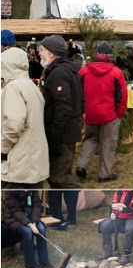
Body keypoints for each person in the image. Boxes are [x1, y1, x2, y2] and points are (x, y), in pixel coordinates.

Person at [75, 42, 128, 182]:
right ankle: (105, 174)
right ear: (110, 56)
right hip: (109, 115)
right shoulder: (116, 72)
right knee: (108, 143)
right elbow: (122, 96)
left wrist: (82, 111)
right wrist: (119, 113)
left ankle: (81, 165)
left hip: (90, 113)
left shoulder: (84, 71)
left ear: (97, 54)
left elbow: (78, 92)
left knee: (90, 139)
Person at [38, 35, 83, 190]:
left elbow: (64, 106)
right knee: (58, 178)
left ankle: (83, 198)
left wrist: (54, 134)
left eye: (42, 50)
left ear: (52, 53)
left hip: (62, 134)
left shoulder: (59, 73)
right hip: (67, 131)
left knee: (58, 178)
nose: (39, 53)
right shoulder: (68, 70)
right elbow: (81, 100)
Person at [1, 46, 48, 189]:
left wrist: (2, 149)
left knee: (12, 199)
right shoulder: (31, 86)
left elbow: (14, 124)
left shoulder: (13, 88)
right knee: (33, 198)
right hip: (34, 159)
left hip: (19, 161)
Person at [3, 190, 49, 268]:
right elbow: (15, 211)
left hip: (31, 217)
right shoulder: (10, 189)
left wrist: (34, 223)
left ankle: (44, 261)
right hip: (14, 218)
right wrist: (30, 224)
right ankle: (30, 264)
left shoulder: (33, 187)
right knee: (28, 232)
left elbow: (37, 205)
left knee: (41, 229)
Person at [97, 189, 133, 261]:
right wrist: (112, 214)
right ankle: (107, 251)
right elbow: (113, 205)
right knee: (105, 226)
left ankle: (125, 253)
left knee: (129, 229)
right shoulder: (118, 192)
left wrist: (122, 209)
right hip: (120, 216)